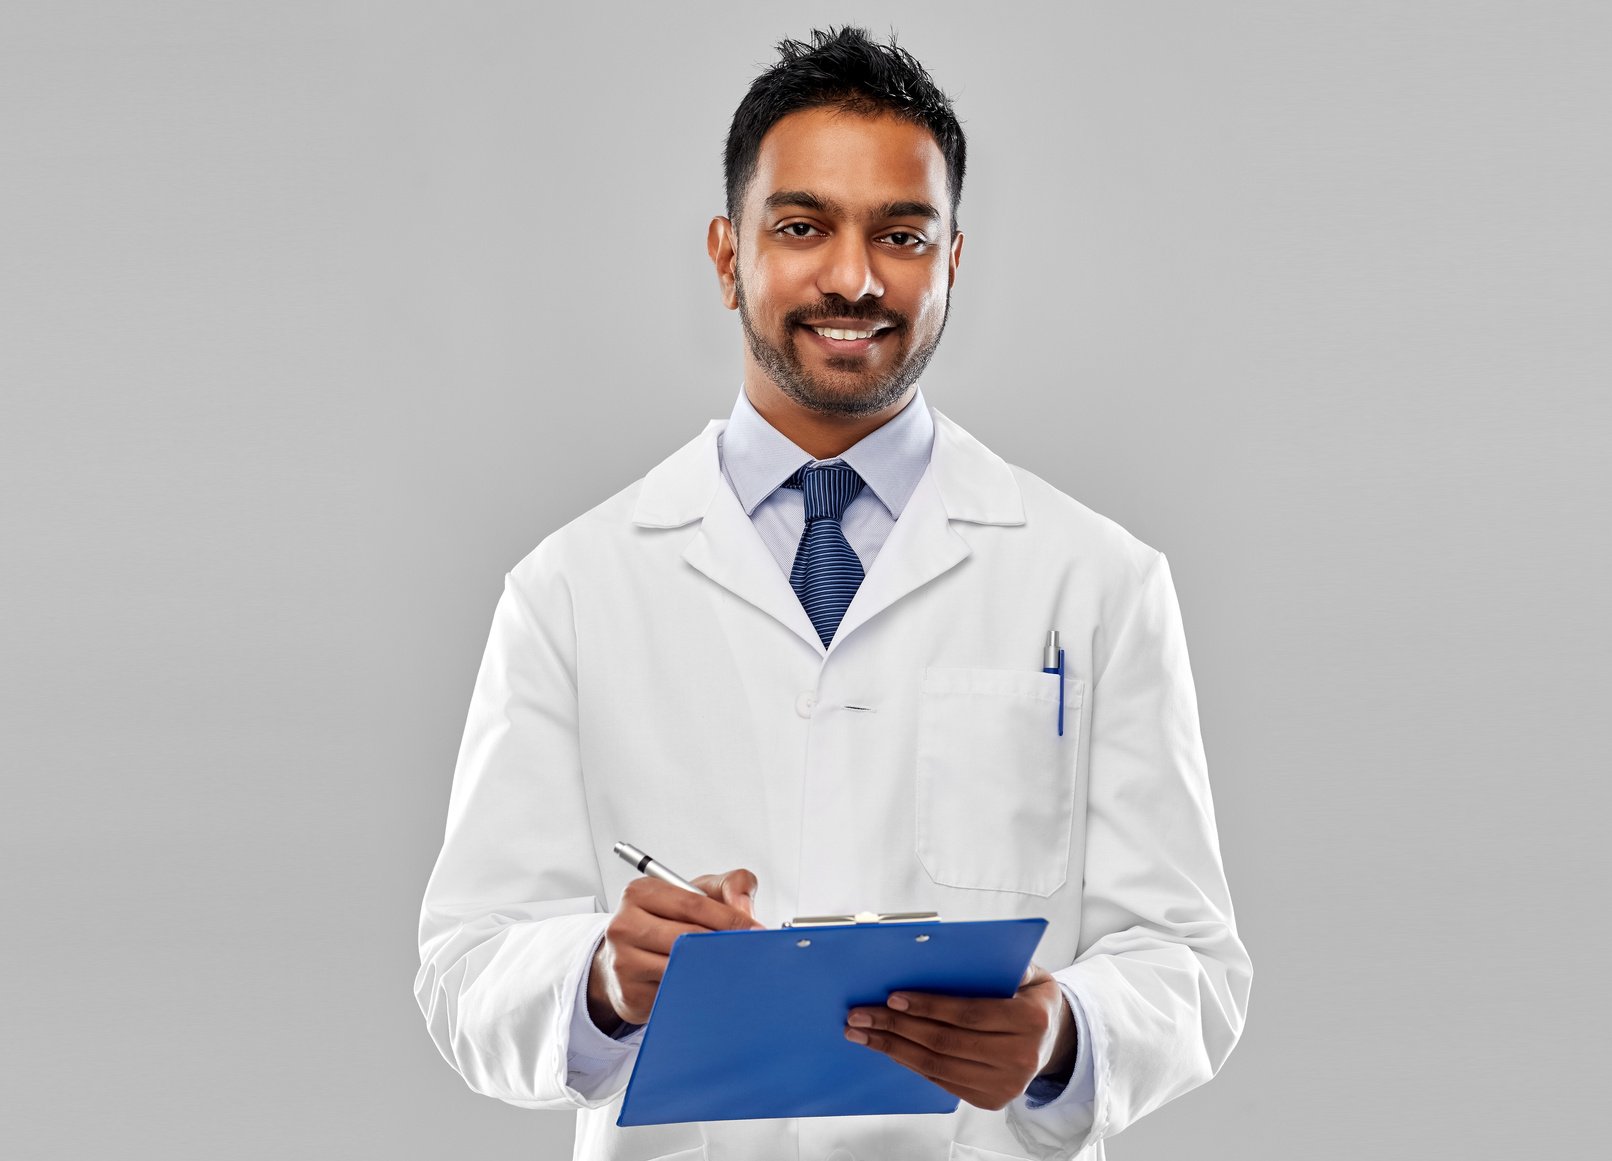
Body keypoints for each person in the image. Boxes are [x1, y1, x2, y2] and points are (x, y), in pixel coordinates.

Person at [415, 25, 1252, 1161]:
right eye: (802, 227)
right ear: (726, 257)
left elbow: (1190, 961)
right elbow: (467, 966)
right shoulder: (570, 588)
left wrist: (1063, 1038)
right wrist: (602, 978)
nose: (852, 277)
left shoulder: (1095, 580)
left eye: (900, 235)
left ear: (952, 260)